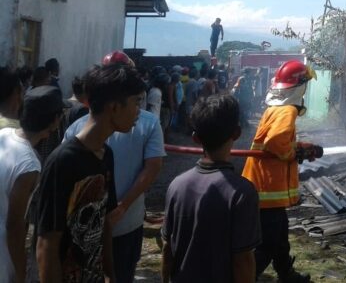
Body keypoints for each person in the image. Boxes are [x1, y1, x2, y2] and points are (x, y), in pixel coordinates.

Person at [36, 64, 144, 283]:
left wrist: (110, 274)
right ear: (114, 107)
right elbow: (46, 245)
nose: (138, 111)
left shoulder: (106, 155)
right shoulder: (63, 161)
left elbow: (104, 222)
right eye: (136, 102)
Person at [64, 56, 165, 283]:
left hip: (108, 228)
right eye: (134, 101)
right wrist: (122, 208)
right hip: (108, 228)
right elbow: (153, 167)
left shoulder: (80, 133)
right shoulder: (70, 147)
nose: (137, 110)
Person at [161, 94, 259, 283]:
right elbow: (243, 260)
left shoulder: (176, 186)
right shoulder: (242, 193)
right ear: (237, 133)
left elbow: (167, 247)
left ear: (196, 138)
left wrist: (165, 279)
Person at [241, 60, 322, 283]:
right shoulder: (287, 111)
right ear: (299, 87)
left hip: (264, 189)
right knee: (268, 243)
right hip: (267, 191)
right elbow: (276, 142)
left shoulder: (274, 109)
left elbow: (276, 141)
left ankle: (286, 273)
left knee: (280, 237)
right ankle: (245, 277)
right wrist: (291, 154)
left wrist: (298, 147)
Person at [0, 86, 68, 283]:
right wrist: (21, 274)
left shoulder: (4, 135)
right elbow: (14, 225)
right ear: (55, 120)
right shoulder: (29, 164)